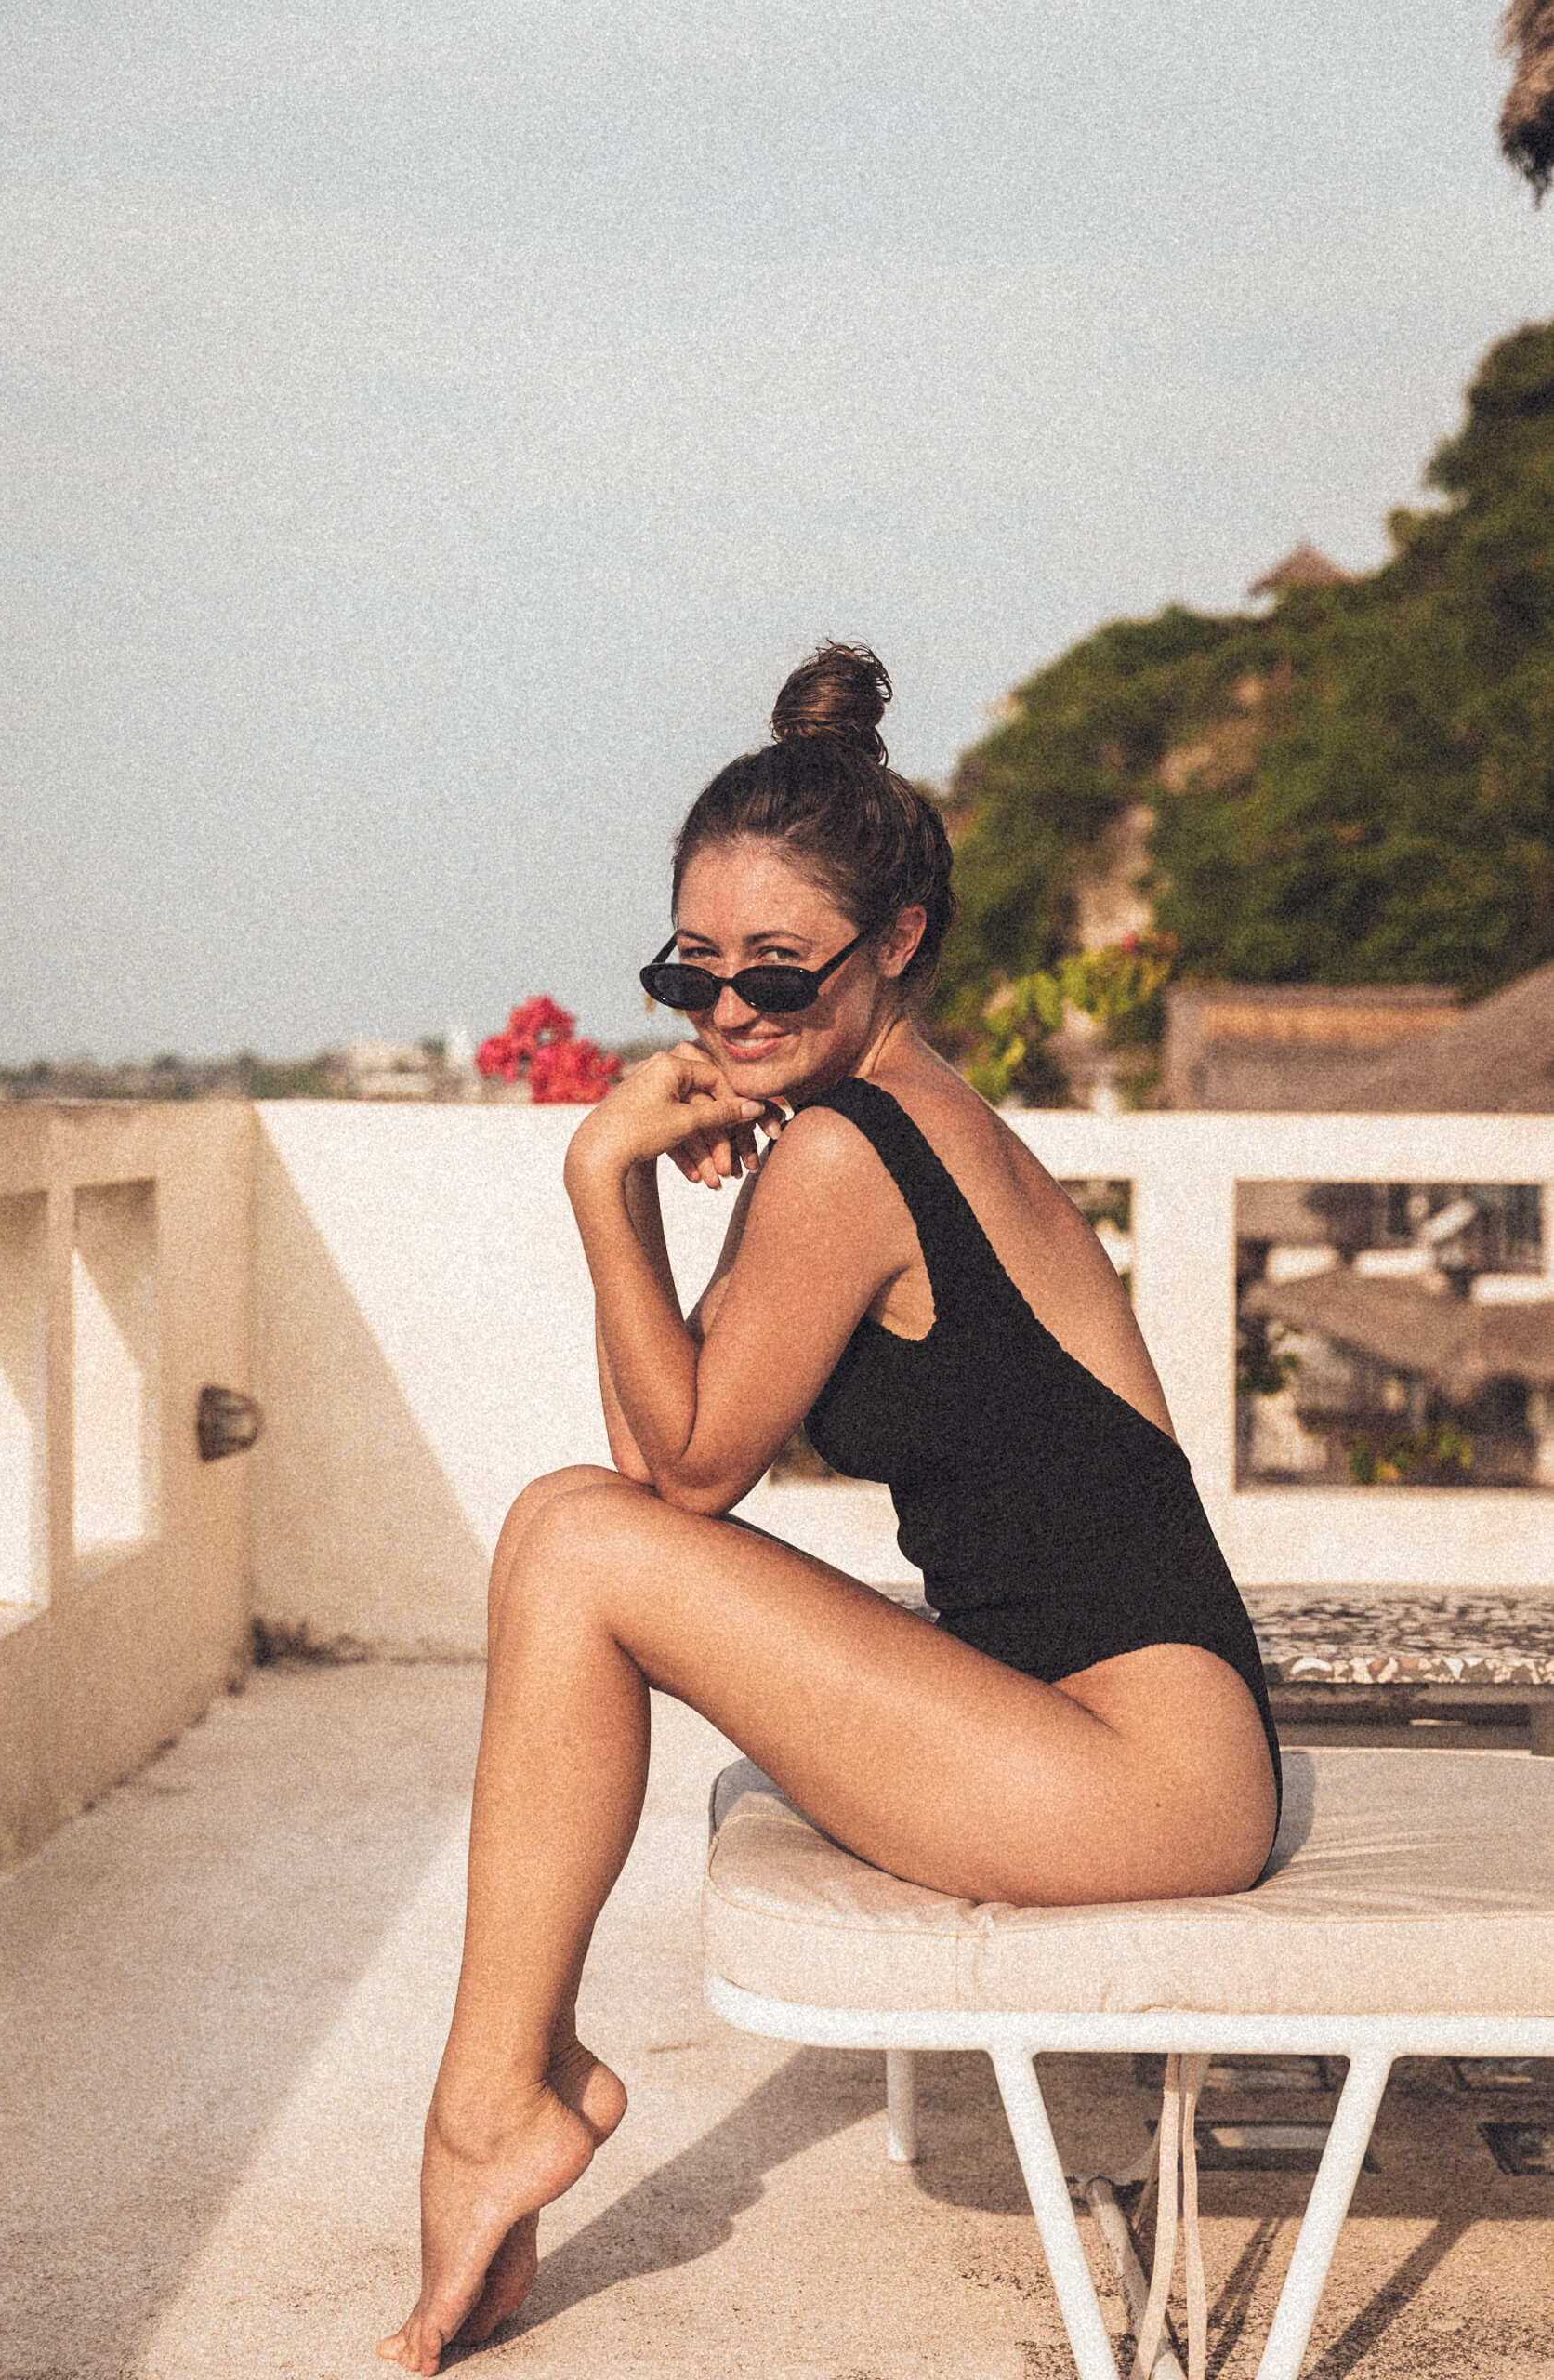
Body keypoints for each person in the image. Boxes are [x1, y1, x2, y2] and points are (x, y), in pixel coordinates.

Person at [379, 642, 1281, 2375]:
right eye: (693, 972)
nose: (728, 1016)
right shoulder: (871, 1121)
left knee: (574, 1536)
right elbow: (671, 1450)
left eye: (778, 971)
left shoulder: (850, 1152)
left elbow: (680, 1478)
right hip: (1085, 1723)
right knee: (571, 1529)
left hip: (1147, 1776)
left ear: (898, 941)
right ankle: (504, 2097)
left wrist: (599, 1178)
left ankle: (493, 2107)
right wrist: (664, 1196)